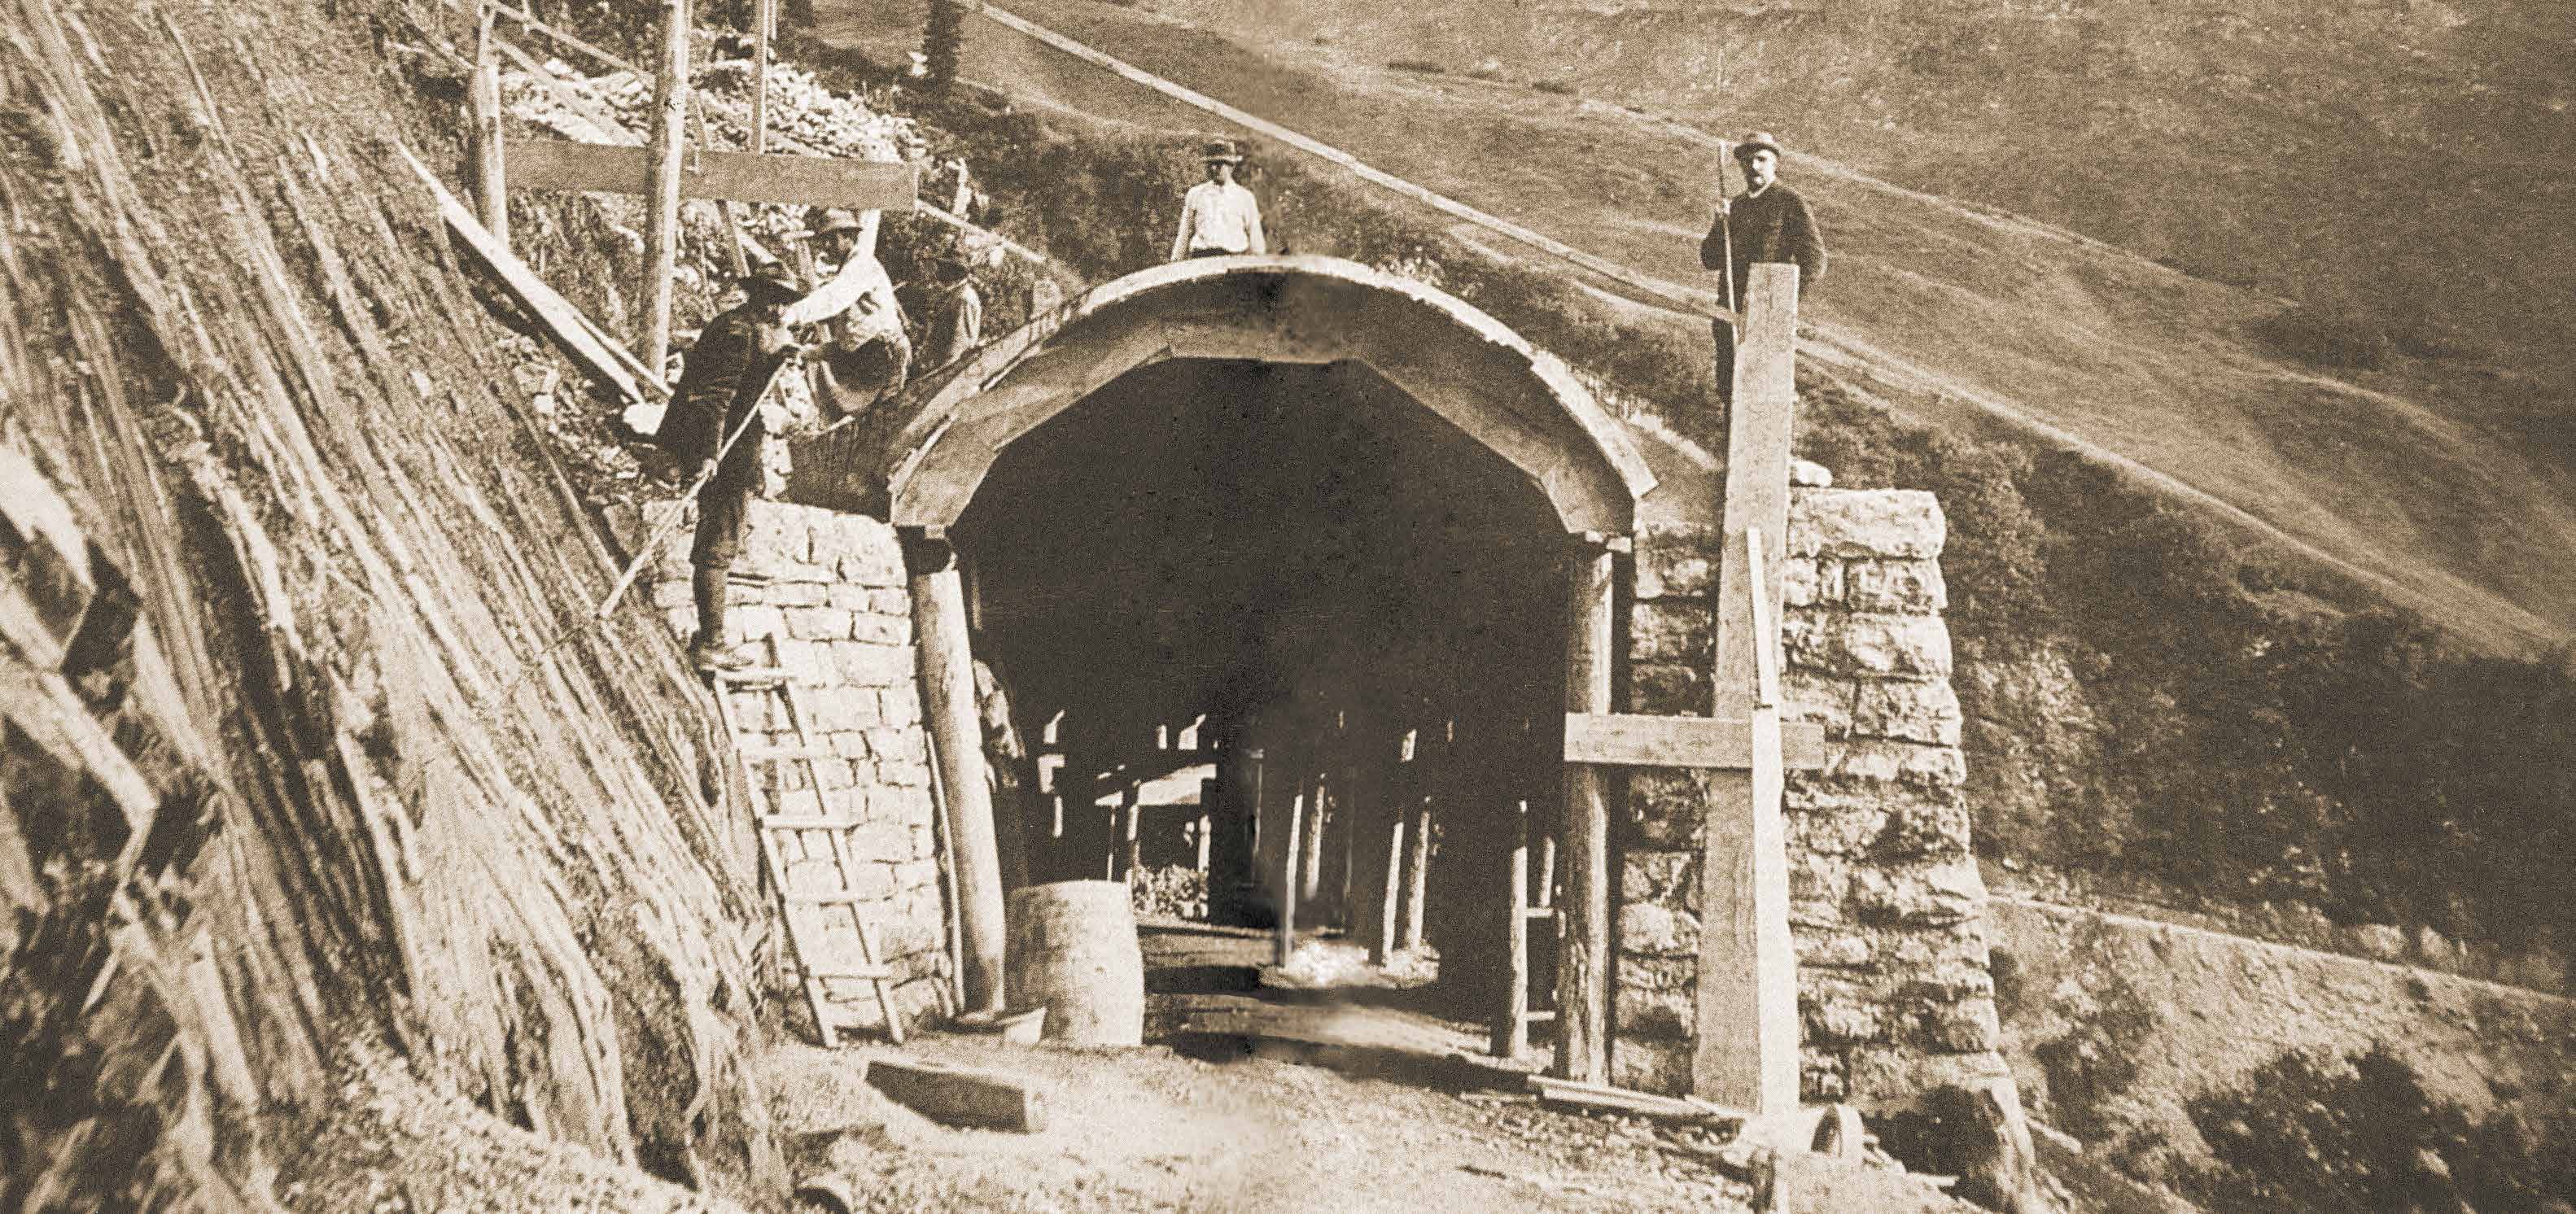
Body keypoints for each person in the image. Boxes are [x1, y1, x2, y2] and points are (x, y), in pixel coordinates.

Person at [656, 262, 806, 671]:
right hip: (725, 453)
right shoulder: (737, 334)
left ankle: (711, 637)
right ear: (760, 299)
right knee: (719, 543)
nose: (782, 312)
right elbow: (716, 399)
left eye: (786, 303)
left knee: (720, 539)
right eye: (776, 301)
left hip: (730, 447)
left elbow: (742, 384)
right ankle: (711, 642)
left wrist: (776, 361)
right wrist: (708, 454)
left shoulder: (741, 328)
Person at [1699, 130, 1827, 405]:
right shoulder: (1735, 206)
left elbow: (1814, 262)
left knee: (1760, 395)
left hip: (1767, 318)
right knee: (1730, 393)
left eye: (1761, 159)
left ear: (1775, 163)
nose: (1754, 166)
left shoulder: (1789, 202)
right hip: (1729, 313)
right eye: (1747, 161)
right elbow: (1710, 260)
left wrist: (1783, 306)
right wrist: (1719, 224)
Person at [785, 207, 911, 421]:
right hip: (869, 356)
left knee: (879, 420)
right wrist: (807, 353)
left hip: (884, 357)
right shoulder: (848, 269)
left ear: (849, 237)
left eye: (832, 239)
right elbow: (850, 340)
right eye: (824, 241)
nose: (826, 246)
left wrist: (793, 314)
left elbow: (833, 298)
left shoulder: (862, 265)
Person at [1170, 138, 1266, 260]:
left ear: (1231, 166)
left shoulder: (1245, 197)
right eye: (1211, 164)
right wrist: (1175, 260)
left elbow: (1255, 237)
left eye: (1219, 164)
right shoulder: (1196, 194)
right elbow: (1184, 232)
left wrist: (1258, 263)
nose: (1214, 168)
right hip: (1201, 258)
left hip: (1233, 259)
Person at [916, 255, 984, 370]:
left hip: (953, 366)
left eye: (944, 268)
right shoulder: (956, 294)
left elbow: (960, 339)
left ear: (954, 272)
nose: (939, 272)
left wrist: (945, 368)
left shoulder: (963, 298)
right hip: (946, 363)